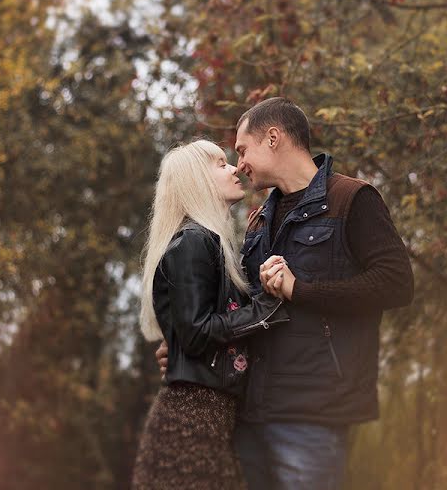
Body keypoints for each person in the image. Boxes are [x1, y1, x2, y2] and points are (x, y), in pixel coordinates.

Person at [157, 98, 415, 489]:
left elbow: (396, 283)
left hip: (312, 411)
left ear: (273, 138)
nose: (239, 163)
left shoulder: (352, 199)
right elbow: (247, 308)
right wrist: (185, 344)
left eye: (243, 150)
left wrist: (302, 290)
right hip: (250, 411)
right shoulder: (259, 219)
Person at [132, 139, 290, 490]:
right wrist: (267, 306)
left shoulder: (212, 243)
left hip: (208, 419)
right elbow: (196, 332)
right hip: (191, 423)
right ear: (196, 182)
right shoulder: (193, 241)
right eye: (220, 164)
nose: (235, 168)